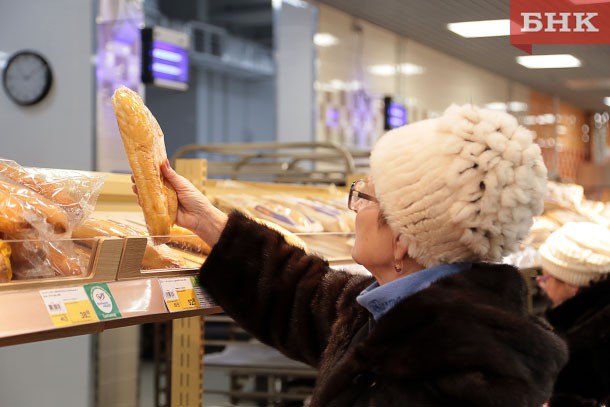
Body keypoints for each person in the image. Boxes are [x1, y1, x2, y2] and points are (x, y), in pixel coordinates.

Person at [137, 104, 568, 406]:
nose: (355, 208)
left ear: (402, 238)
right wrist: (210, 223)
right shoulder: (409, 311)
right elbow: (301, 297)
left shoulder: (448, 371)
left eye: (364, 197)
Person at [538, 221, 610, 406]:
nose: (540, 282)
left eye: (546, 277)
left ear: (572, 285)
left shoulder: (596, 336)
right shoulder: (585, 314)